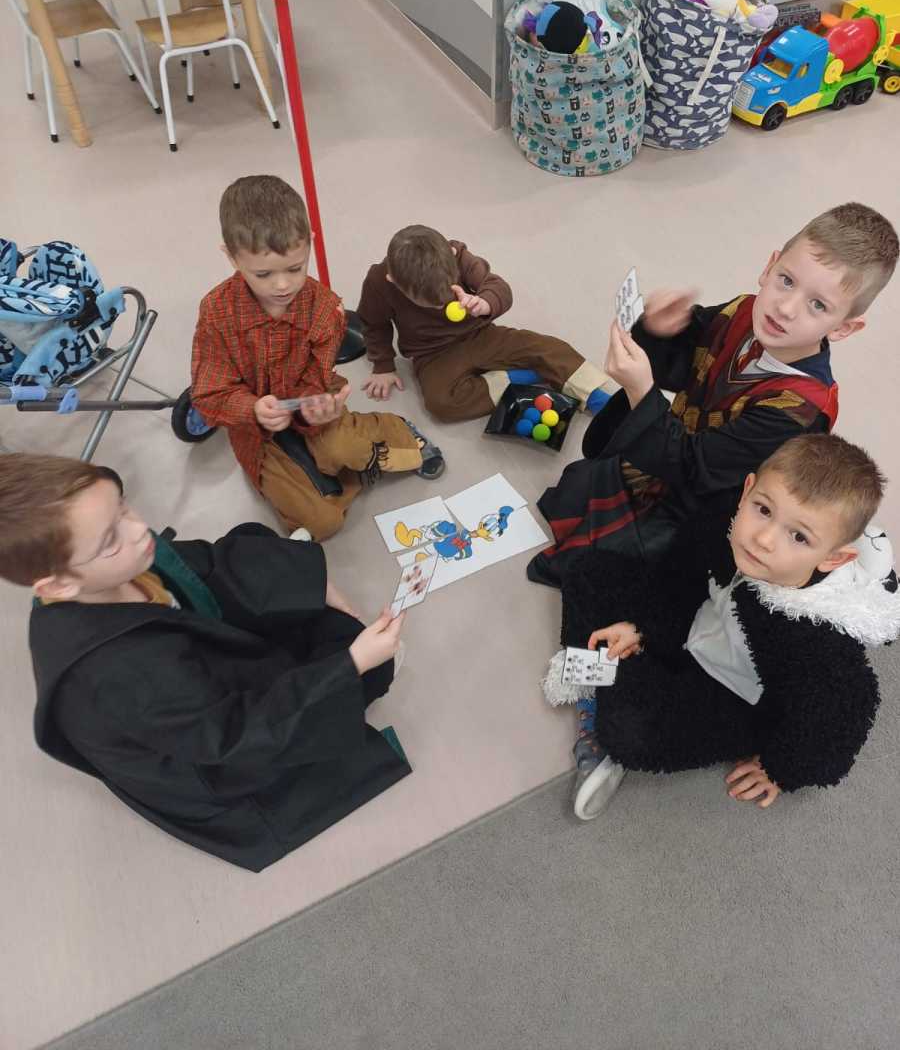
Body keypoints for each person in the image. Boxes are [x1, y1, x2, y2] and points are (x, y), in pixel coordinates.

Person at [5, 453, 410, 872]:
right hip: (205, 745)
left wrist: (315, 583)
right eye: (110, 540)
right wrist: (353, 664)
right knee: (359, 661)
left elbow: (201, 567)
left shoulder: (110, 568)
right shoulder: (121, 674)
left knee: (269, 560)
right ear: (59, 585)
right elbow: (232, 735)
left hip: (188, 665)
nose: (138, 529)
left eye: (122, 506)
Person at [528, 202, 899, 587]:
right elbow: (683, 366)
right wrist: (662, 332)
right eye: (786, 280)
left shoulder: (800, 409)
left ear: (843, 328)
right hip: (671, 450)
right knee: (578, 489)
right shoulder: (744, 309)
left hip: (707, 501)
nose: (786, 308)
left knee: (601, 572)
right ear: (770, 266)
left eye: (818, 305)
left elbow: (697, 469)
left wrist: (641, 391)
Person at [543, 435, 900, 820]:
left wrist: (780, 769)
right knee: (587, 572)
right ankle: (603, 676)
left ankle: (602, 700)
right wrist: (643, 627)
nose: (763, 539)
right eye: (763, 509)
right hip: (691, 626)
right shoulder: (723, 523)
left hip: (730, 693)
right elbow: (678, 579)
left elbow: (840, 717)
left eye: (798, 537)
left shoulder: (817, 638)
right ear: (748, 491)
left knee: (631, 732)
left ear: (832, 559)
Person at [191, 176, 444, 543]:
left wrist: (317, 408)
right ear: (231, 256)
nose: (283, 285)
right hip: (255, 431)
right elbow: (208, 395)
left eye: (295, 268)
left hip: (308, 405)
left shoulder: (324, 307)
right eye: (263, 274)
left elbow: (319, 375)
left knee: (349, 449)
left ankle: (387, 430)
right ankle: (342, 473)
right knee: (321, 524)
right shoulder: (216, 312)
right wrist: (252, 409)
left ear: (310, 241)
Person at [356, 224, 615, 420]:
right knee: (441, 404)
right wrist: (383, 365)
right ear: (393, 280)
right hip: (432, 354)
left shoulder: (458, 256)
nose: (440, 305)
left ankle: (599, 398)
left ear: (452, 254)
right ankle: (515, 378)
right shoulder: (378, 281)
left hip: (481, 335)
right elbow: (373, 324)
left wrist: (484, 303)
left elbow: (498, 286)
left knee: (551, 349)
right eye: (429, 303)